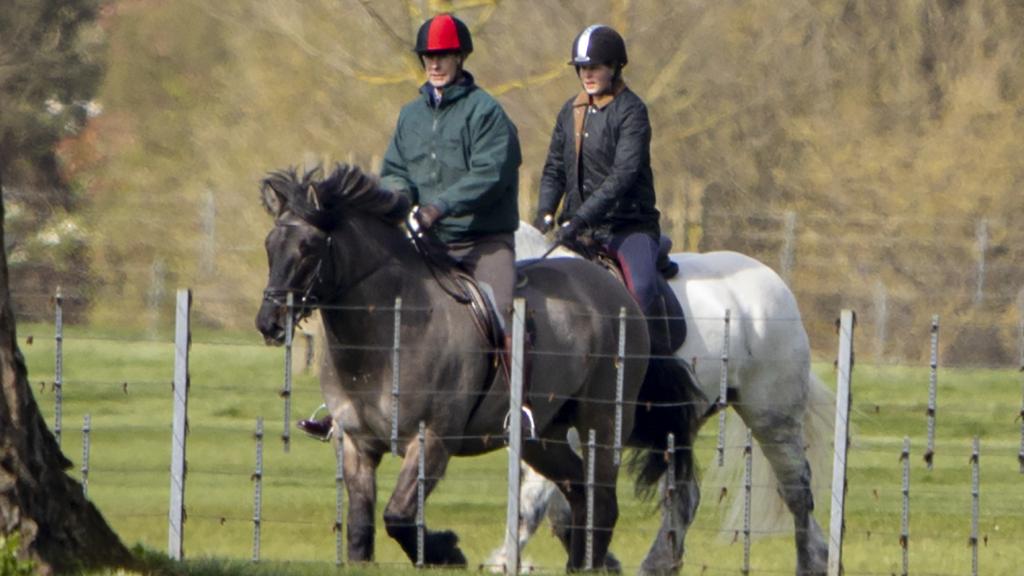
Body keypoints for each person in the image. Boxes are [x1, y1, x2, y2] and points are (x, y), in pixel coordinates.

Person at [299, 13, 522, 440]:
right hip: (426, 240)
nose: (434, 64)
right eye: (427, 57)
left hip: (483, 242)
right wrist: (397, 201)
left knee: (500, 310)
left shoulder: (488, 113)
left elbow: (491, 173)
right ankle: (350, 407)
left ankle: (516, 407)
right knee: (376, 301)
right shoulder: (410, 116)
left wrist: (439, 206)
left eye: (441, 56)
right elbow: (396, 170)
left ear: (460, 57)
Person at [534, 24, 681, 358]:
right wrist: (545, 212)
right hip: (579, 230)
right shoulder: (570, 111)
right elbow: (555, 167)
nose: (587, 74)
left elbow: (623, 175)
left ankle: (643, 366)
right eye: (582, 68)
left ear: (614, 67)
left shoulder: (632, 112)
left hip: (627, 228)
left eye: (595, 67)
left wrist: (582, 217)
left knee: (641, 290)